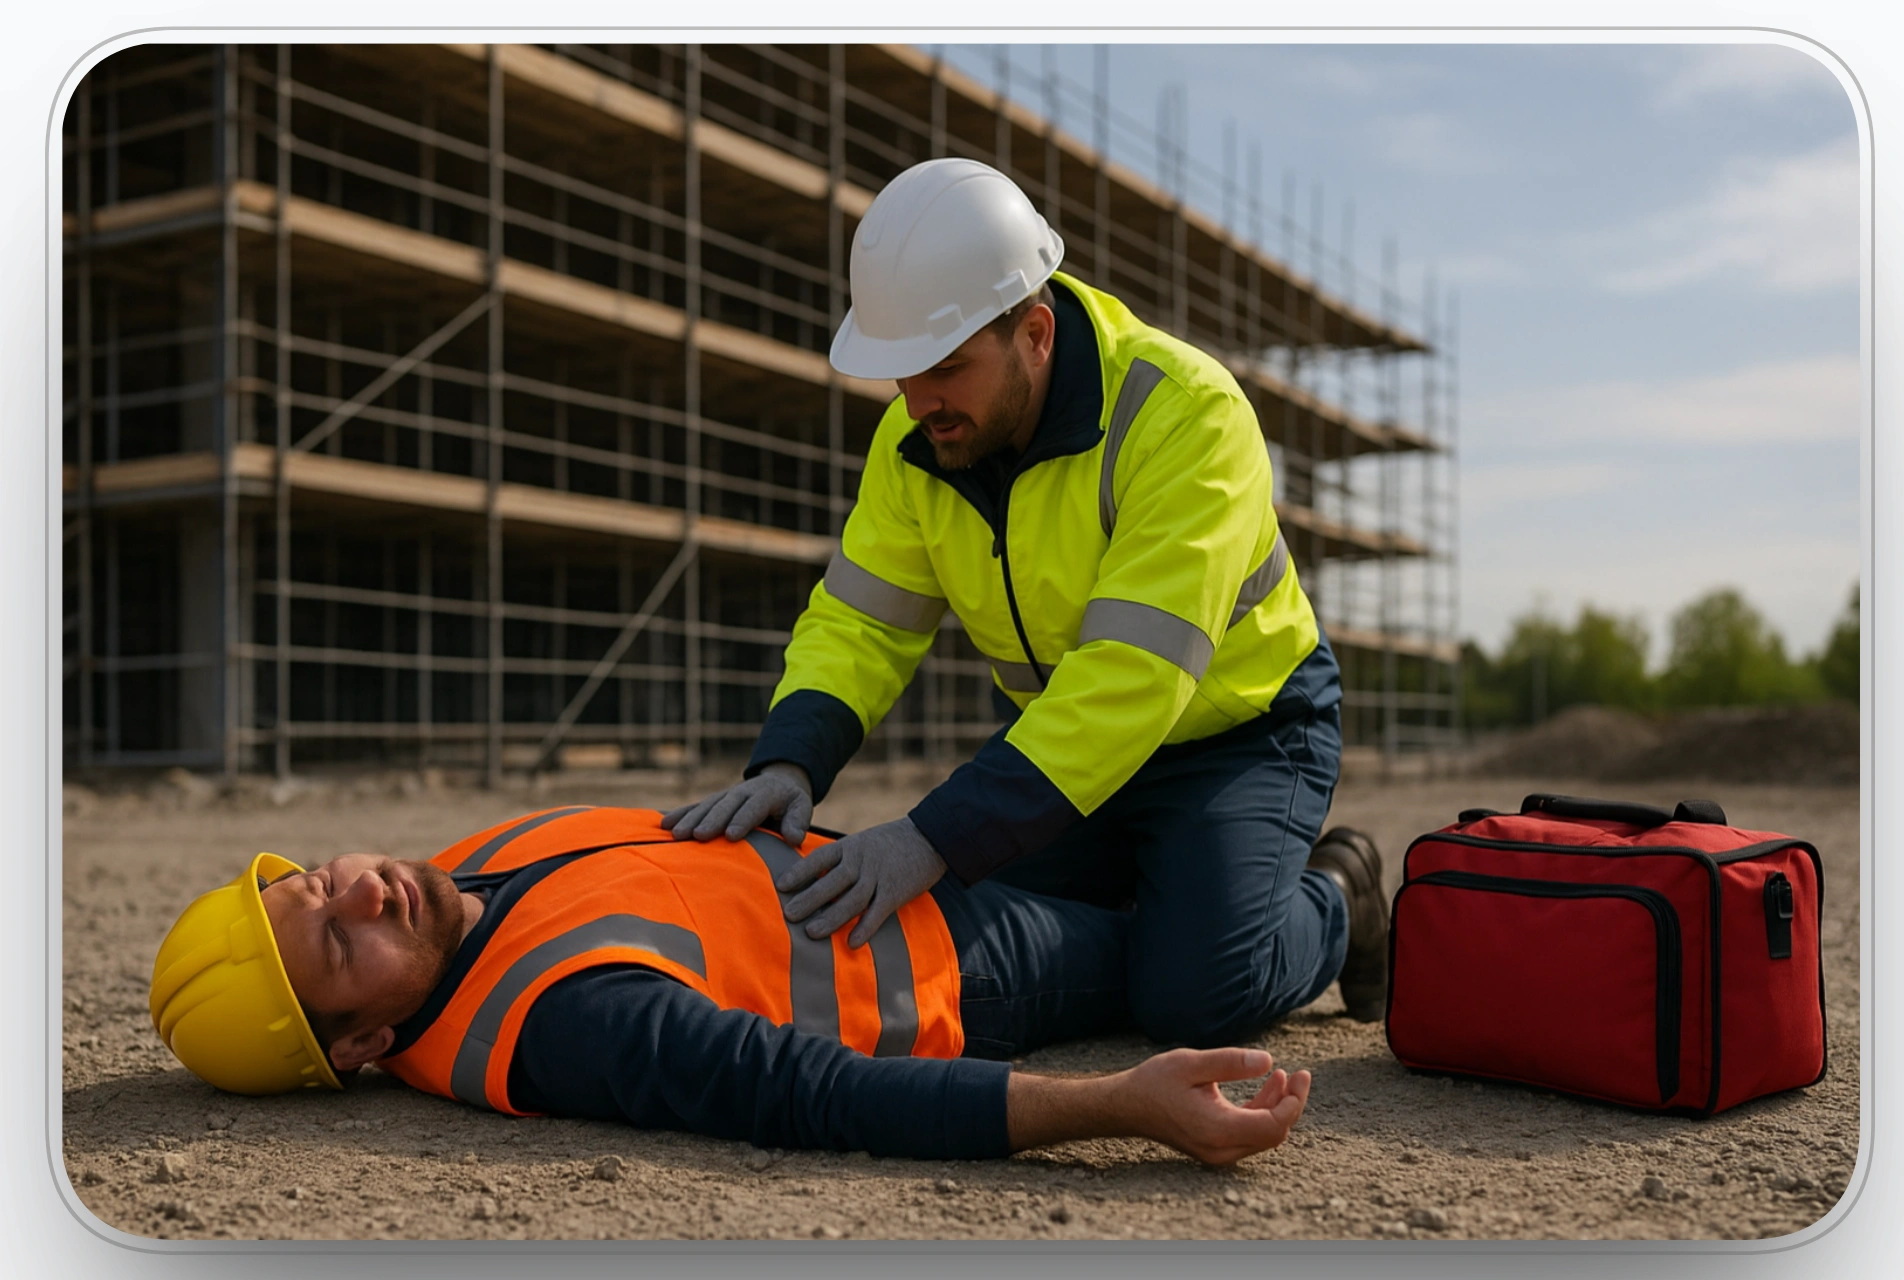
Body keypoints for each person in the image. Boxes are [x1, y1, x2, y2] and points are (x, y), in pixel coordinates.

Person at [665, 156, 1390, 1037]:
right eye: (901, 373)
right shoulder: (917, 439)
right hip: (1060, 742)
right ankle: (1165, 923)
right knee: (951, 921)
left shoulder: (1187, 417)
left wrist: (931, 835)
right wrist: (791, 761)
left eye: (946, 366)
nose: (919, 402)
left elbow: (1132, 677)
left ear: (1036, 334)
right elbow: (861, 623)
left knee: (1200, 995)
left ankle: (1341, 893)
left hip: (1239, 735)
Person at [149, 805, 1312, 1165]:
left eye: (318, 880)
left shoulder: (458, 879)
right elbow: (814, 1093)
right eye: (337, 944)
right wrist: (1115, 1103)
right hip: (961, 966)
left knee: (1155, 833)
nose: (363, 889)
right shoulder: (558, 1020)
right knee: (1203, 967)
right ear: (362, 1042)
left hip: (894, 858)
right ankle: (1344, 905)